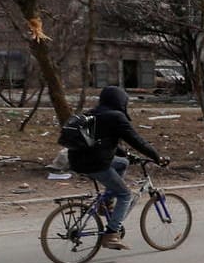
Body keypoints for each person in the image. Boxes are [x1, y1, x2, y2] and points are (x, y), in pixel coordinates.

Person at [68, 85, 168, 251]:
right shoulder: (116, 117)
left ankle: (106, 202)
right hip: (95, 163)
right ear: (121, 101)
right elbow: (137, 140)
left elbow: (107, 141)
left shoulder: (93, 114)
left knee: (122, 163)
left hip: (77, 160)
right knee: (125, 194)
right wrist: (157, 157)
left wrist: (127, 155)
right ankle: (111, 234)